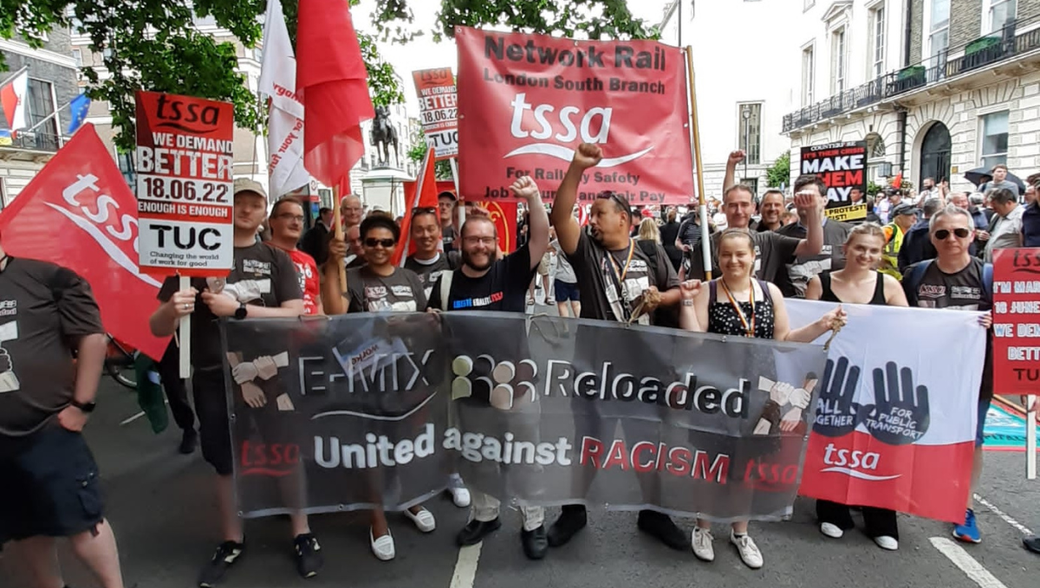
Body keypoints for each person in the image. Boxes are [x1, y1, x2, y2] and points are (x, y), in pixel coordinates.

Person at [149, 179, 321, 586]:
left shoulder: (277, 259)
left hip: (274, 374)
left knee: (286, 452)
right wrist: (173, 310)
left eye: (254, 203)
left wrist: (239, 311)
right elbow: (156, 328)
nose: (245, 210)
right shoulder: (194, 259)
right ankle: (231, 538)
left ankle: (302, 532)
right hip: (214, 379)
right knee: (224, 461)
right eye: (238, 202)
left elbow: (296, 313)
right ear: (225, 209)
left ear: (265, 214)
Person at [549, 143, 688, 552]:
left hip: (646, 373)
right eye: (591, 215)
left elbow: (679, 292)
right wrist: (577, 167)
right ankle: (573, 512)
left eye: (599, 214)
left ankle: (654, 513)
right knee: (588, 445)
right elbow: (560, 216)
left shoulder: (649, 251)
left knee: (649, 445)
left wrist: (661, 299)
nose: (592, 221)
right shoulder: (587, 253)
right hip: (595, 372)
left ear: (624, 220)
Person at [678, 229, 845, 569]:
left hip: (759, 396)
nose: (734, 261)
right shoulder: (708, 291)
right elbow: (693, 342)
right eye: (726, 254)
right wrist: (684, 300)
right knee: (711, 468)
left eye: (741, 254)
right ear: (718, 257)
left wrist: (822, 325)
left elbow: (784, 339)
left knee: (746, 470)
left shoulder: (770, 292)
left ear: (754, 256)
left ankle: (741, 531)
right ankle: (703, 527)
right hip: (717, 395)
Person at [428, 176, 550, 560]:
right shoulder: (446, 285)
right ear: (460, 243)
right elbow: (434, 333)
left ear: (496, 244)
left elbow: (542, 239)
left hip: (518, 390)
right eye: (472, 239)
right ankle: (485, 515)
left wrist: (531, 198)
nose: (480, 246)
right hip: (470, 394)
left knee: (525, 460)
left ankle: (533, 522)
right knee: (477, 460)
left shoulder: (511, 272)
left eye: (486, 239)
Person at [0, 248, 126, 588]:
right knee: (23, 525)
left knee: (82, 522)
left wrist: (81, 406)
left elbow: (92, 336)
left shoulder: (46, 278)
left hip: (46, 429)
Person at [322, 215, 437, 561]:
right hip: (365, 383)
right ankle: (377, 519)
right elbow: (333, 312)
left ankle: (408, 501)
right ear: (362, 245)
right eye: (371, 242)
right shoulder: (351, 276)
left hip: (406, 381)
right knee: (372, 451)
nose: (378, 248)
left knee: (403, 446)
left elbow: (424, 328)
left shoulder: (410, 279)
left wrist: (423, 323)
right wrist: (333, 261)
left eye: (386, 242)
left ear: (396, 245)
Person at [805, 224, 908, 551]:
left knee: (878, 445)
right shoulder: (819, 283)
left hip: (877, 380)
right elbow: (806, 332)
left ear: (881, 255)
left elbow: (915, 330)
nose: (866, 255)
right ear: (846, 247)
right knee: (833, 440)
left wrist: (971, 326)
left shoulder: (889, 285)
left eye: (873, 251)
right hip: (833, 377)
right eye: (860, 248)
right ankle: (832, 511)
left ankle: (881, 518)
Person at [902, 205, 993, 544]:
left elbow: (1021, 328)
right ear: (931, 237)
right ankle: (903, 492)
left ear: (972, 235)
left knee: (972, 442)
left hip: (975, 378)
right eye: (942, 233)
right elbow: (894, 318)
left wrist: (998, 324)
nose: (951, 239)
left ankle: (965, 508)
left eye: (959, 232)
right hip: (925, 375)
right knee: (912, 432)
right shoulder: (915, 275)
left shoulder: (990, 276)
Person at [685, 173, 822, 285]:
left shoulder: (768, 240)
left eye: (744, 205)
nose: (739, 211)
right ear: (724, 208)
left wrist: (813, 212)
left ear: (753, 207)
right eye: (733, 205)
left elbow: (813, 248)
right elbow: (695, 285)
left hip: (760, 314)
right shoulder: (707, 245)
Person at [776, 175, 852, 298]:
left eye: (810, 197)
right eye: (801, 197)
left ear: (825, 200)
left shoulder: (847, 233)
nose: (806, 202)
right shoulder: (779, 236)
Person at [268, 197, 323, 315]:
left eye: (300, 218)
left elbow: (317, 302)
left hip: (313, 331)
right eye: (288, 216)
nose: (295, 222)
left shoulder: (309, 260)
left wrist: (323, 329)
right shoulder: (261, 253)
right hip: (280, 329)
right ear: (272, 221)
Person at [983, 188, 1023, 262]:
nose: (994, 210)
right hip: (991, 262)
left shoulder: (1021, 217)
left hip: (1009, 263)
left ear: (1009, 203)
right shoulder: (996, 216)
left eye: (996, 207)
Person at [879, 204, 916, 279]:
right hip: (886, 278)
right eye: (910, 215)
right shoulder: (889, 230)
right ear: (899, 217)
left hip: (902, 278)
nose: (914, 217)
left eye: (915, 214)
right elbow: (871, 245)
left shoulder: (913, 232)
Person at [550, 234, 581, 318]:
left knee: (562, 304)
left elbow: (546, 247)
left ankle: (565, 329)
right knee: (576, 304)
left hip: (561, 277)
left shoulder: (560, 242)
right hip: (576, 277)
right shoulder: (580, 241)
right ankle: (581, 327)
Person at [1023, 177, 1040, 247]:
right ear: (1035, 192)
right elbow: (1023, 236)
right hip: (1030, 256)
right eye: (1039, 190)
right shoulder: (1027, 213)